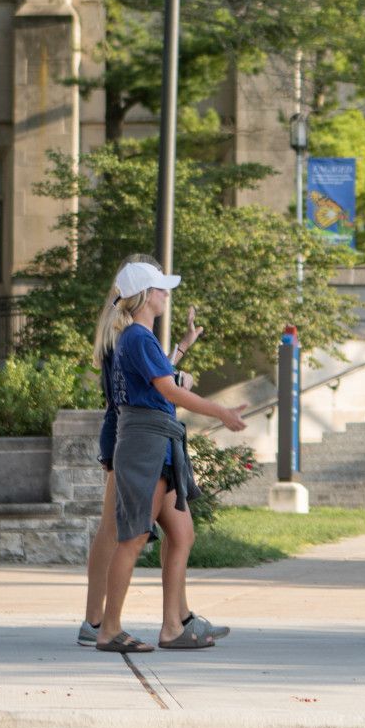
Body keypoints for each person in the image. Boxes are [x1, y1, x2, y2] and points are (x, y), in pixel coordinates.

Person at [95, 260, 247, 654]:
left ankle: (172, 627)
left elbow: (159, 379)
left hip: (156, 443)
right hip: (145, 444)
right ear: (145, 296)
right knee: (134, 537)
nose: (166, 294)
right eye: (160, 289)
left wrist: (182, 346)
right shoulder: (137, 339)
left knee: (181, 534)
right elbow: (170, 390)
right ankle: (109, 630)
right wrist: (222, 413)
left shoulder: (135, 338)